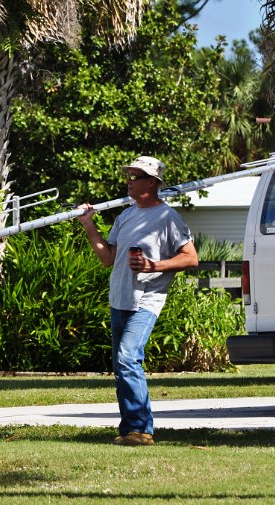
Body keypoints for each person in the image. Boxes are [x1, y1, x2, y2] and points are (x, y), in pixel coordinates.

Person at [78, 156, 198, 446]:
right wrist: (88, 225)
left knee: (128, 357)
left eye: (135, 176)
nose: (129, 181)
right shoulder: (126, 216)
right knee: (122, 366)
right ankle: (130, 428)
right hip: (120, 298)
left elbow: (191, 258)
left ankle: (142, 430)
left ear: (153, 182)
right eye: (129, 176)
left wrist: (152, 267)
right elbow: (107, 258)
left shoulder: (168, 217)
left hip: (147, 299)